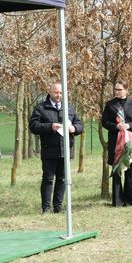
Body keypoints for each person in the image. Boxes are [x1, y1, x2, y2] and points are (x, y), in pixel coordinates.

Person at [29, 81, 83, 213]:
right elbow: (33, 126)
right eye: (56, 92)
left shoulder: (69, 108)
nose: (58, 95)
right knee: (48, 179)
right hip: (49, 150)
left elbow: (80, 125)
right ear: (50, 92)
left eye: (61, 93)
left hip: (66, 150)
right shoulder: (41, 108)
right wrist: (50, 127)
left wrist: (74, 128)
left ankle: (58, 207)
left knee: (62, 179)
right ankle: (46, 208)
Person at [102, 81, 132, 207]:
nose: (117, 91)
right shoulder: (110, 105)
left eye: (119, 89)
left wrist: (128, 125)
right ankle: (117, 201)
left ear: (126, 90)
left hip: (130, 142)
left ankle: (129, 200)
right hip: (115, 142)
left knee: (129, 169)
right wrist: (116, 126)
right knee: (116, 170)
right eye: (115, 89)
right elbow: (104, 122)